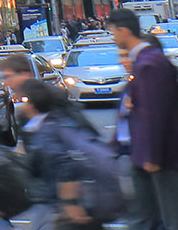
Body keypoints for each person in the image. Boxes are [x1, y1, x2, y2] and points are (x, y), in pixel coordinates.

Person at [112, 9, 178, 228]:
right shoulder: (144, 62)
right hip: (144, 154)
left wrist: (153, 155)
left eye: (113, 32)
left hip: (159, 156)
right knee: (147, 217)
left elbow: (156, 113)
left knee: (169, 217)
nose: (113, 38)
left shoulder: (148, 63)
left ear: (123, 31)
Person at [17, 79, 113, 230]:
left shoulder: (47, 131)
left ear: (31, 104)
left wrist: (70, 203)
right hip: (78, 198)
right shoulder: (56, 122)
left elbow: (66, 165)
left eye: (23, 101)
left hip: (65, 202)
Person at [0, 54, 34, 148]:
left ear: (25, 75)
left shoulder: (45, 104)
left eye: (8, 76)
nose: (6, 82)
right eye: (4, 77)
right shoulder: (27, 110)